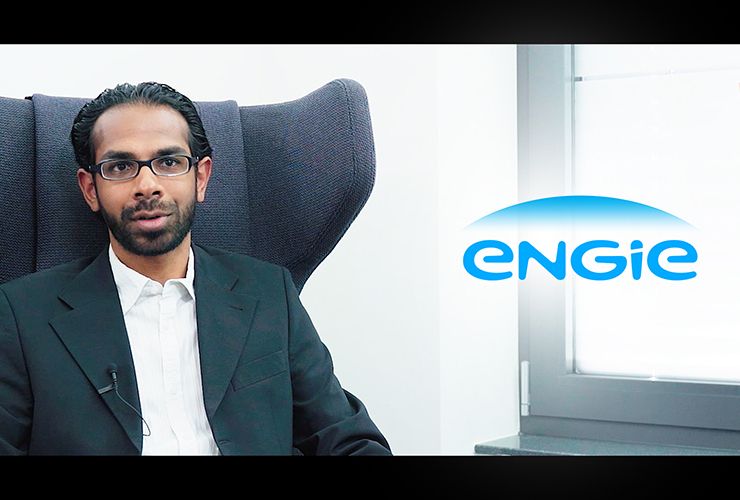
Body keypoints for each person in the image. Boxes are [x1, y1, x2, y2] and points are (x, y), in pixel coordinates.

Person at [0, 82, 391, 456]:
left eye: (169, 162)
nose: (147, 185)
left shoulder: (269, 293)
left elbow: (345, 439)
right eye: (120, 167)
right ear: (90, 189)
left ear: (201, 178)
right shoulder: (22, 313)